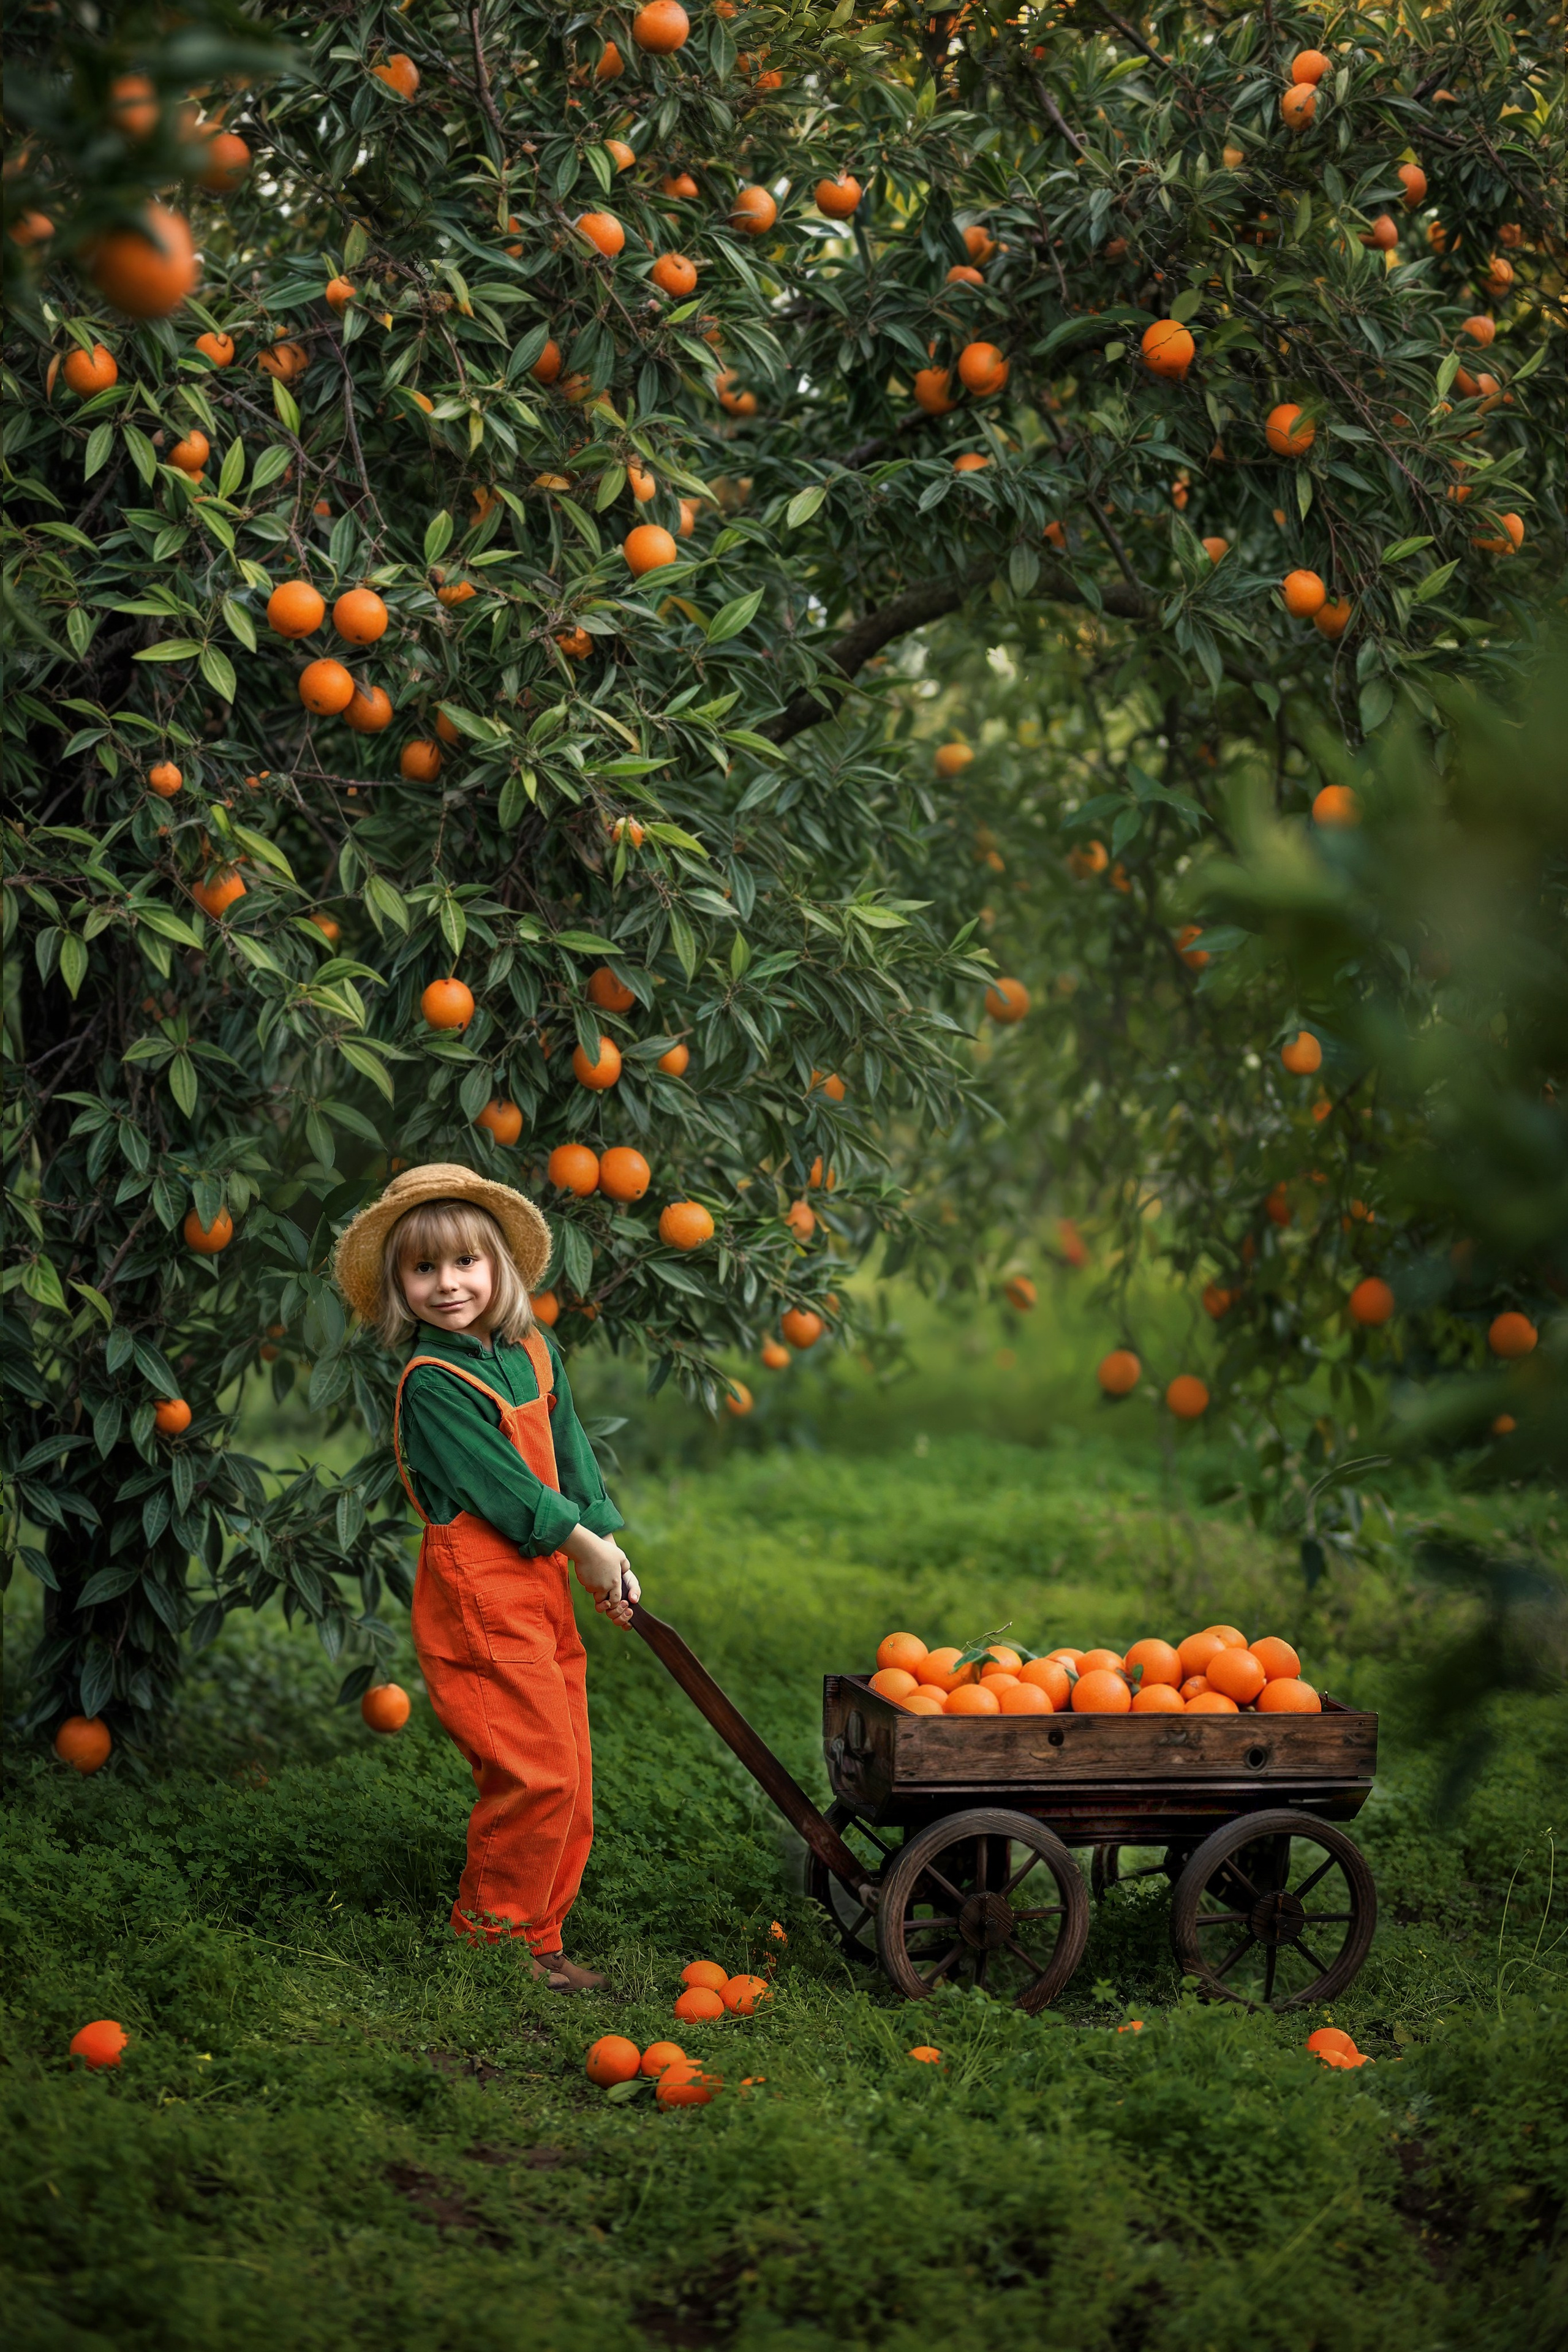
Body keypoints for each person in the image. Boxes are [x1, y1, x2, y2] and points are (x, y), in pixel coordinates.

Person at [334, 1162, 638, 1991]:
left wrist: (602, 1542)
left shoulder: (532, 1348)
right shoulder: (433, 1383)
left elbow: (569, 1448)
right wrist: (581, 1545)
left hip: (541, 1577)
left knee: (570, 1768)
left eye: (466, 1262)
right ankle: (492, 1944)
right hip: (482, 1595)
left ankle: (542, 1937)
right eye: (423, 1268)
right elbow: (505, 1492)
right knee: (532, 1769)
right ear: (399, 1285)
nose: (448, 1284)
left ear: (499, 1266)